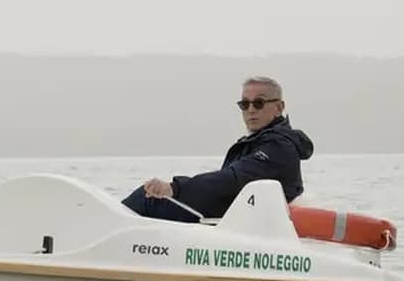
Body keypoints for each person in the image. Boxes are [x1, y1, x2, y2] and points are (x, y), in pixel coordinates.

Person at [121, 76, 314, 222]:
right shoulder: (258, 142)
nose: (251, 110)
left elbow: (232, 179)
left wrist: (174, 188)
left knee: (147, 199)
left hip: (239, 223)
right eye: (245, 104)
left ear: (279, 107)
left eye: (259, 103)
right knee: (149, 197)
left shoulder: (278, 146)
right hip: (231, 218)